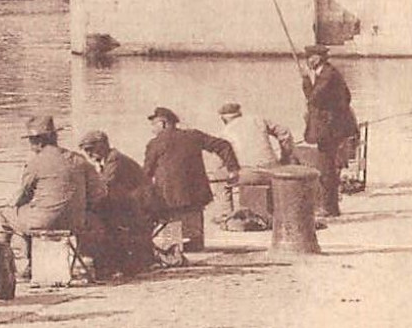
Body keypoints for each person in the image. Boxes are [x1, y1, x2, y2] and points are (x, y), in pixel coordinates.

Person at [0, 115, 105, 277]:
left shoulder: (36, 163)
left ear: (38, 142)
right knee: (92, 218)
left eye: (31, 141)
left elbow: (21, 197)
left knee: (6, 214)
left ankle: (8, 265)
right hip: (76, 221)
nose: (31, 146)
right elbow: (98, 193)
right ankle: (86, 261)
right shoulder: (79, 159)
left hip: (44, 222)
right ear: (54, 137)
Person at [142, 107, 239, 249]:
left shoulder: (154, 144)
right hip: (196, 195)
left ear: (163, 123)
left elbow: (147, 173)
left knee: (172, 239)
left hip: (169, 198)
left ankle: (174, 248)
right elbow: (223, 145)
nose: (152, 129)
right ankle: (194, 245)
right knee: (195, 236)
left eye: (154, 125)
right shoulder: (194, 136)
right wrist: (233, 169)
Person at [76, 130, 154, 278]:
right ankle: (108, 261)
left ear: (103, 145)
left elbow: (104, 184)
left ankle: (106, 262)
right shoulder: (109, 159)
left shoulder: (115, 160)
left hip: (141, 205)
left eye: (91, 149)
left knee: (99, 219)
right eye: (86, 151)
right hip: (133, 203)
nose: (89, 154)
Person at [213, 102, 295, 221]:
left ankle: (225, 215)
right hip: (274, 171)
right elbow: (284, 132)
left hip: (248, 173)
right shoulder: (258, 120)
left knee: (219, 177)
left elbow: (221, 163)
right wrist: (285, 156)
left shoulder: (223, 133)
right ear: (240, 114)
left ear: (223, 119)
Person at [300, 45, 357, 216]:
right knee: (328, 166)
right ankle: (331, 207)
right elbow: (346, 96)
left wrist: (305, 81)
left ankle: (328, 207)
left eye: (310, 57)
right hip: (333, 128)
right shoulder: (328, 73)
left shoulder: (327, 75)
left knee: (326, 167)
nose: (307, 61)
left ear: (318, 58)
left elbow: (314, 98)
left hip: (330, 130)